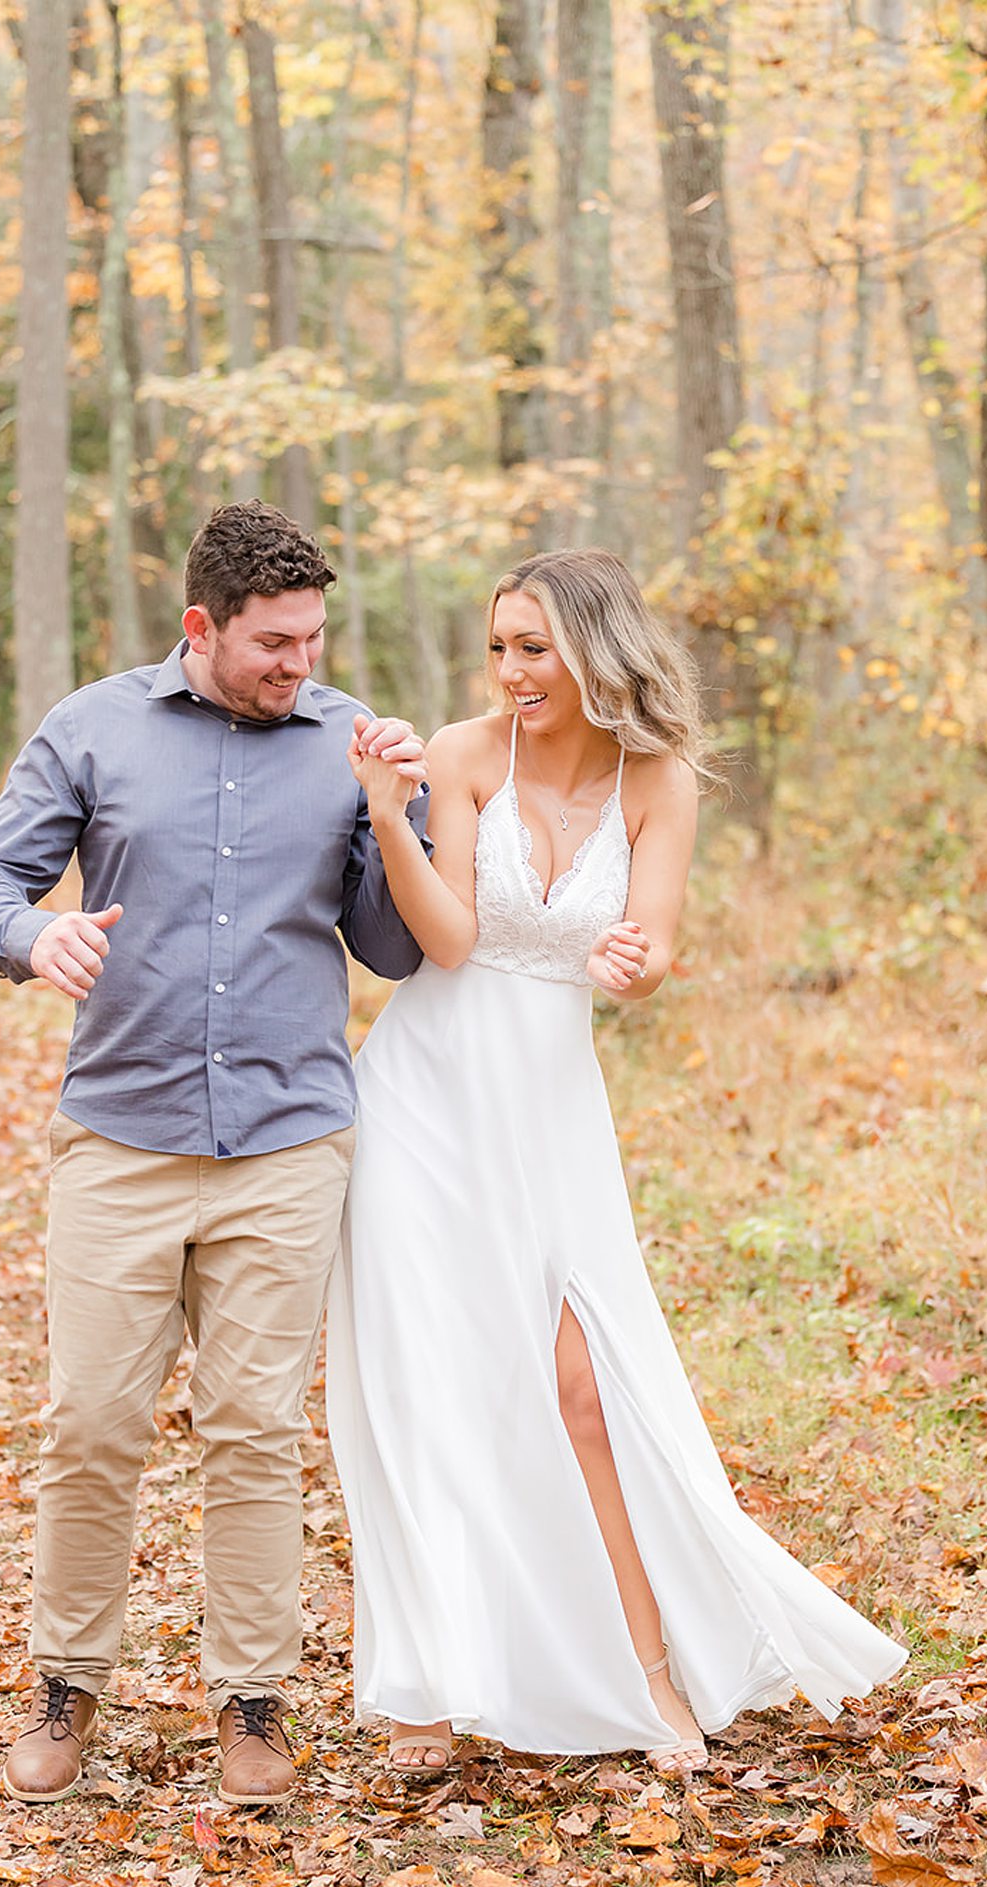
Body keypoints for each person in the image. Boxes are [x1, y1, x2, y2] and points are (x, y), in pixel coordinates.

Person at [325, 549, 905, 1779]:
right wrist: (388, 811)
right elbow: (449, 939)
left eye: (533, 647)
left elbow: (651, 947)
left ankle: (648, 1670)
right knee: (428, 1385)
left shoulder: (661, 779)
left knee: (584, 1390)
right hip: (427, 1097)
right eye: (498, 647)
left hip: (550, 1105)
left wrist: (635, 964)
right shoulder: (464, 753)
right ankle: (427, 1677)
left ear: (595, 647)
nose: (510, 671)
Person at [0, 502, 430, 1808]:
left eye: (314, 639)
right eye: (274, 642)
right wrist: (35, 939)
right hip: (120, 1138)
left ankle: (252, 1698)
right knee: (94, 1421)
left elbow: (389, 947)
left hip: (287, 1143)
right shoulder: (93, 727)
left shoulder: (350, 740)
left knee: (258, 1427)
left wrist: (395, 813)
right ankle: (65, 1683)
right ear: (200, 628)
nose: (300, 665)